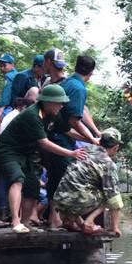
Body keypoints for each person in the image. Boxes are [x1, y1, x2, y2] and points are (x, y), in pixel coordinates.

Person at [0, 85, 87, 234]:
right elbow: (44, 143)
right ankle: (15, 222)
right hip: (7, 151)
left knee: (32, 186)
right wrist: (71, 153)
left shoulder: (53, 114)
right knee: (18, 179)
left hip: (25, 153)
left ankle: (25, 222)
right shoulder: (32, 115)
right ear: (47, 102)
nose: (61, 106)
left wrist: (92, 139)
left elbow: (68, 131)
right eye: (59, 103)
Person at [44, 54, 100, 230]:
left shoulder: (67, 82)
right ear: (91, 72)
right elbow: (74, 120)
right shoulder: (78, 88)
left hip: (54, 133)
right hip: (60, 137)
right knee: (63, 178)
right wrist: (92, 138)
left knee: (56, 176)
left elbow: (81, 112)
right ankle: (57, 219)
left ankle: (62, 218)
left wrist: (94, 133)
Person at [53, 128, 124, 237]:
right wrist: (115, 227)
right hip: (76, 201)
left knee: (77, 187)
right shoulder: (107, 163)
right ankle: (89, 222)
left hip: (59, 199)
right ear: (116, 147)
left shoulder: (83, 151)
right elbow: (114, 197)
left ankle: (74, 222)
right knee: (109, 194)